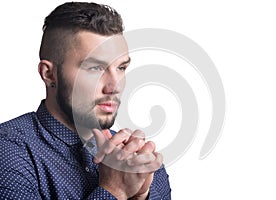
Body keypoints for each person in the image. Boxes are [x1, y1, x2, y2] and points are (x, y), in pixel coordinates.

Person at [0, 2, 171, 200]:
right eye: (95, 68)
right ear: (49, 74)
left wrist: (139, 197)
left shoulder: (137, 163)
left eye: (121, 68)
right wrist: (115, 192)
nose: (114, 86)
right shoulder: (8, 152)